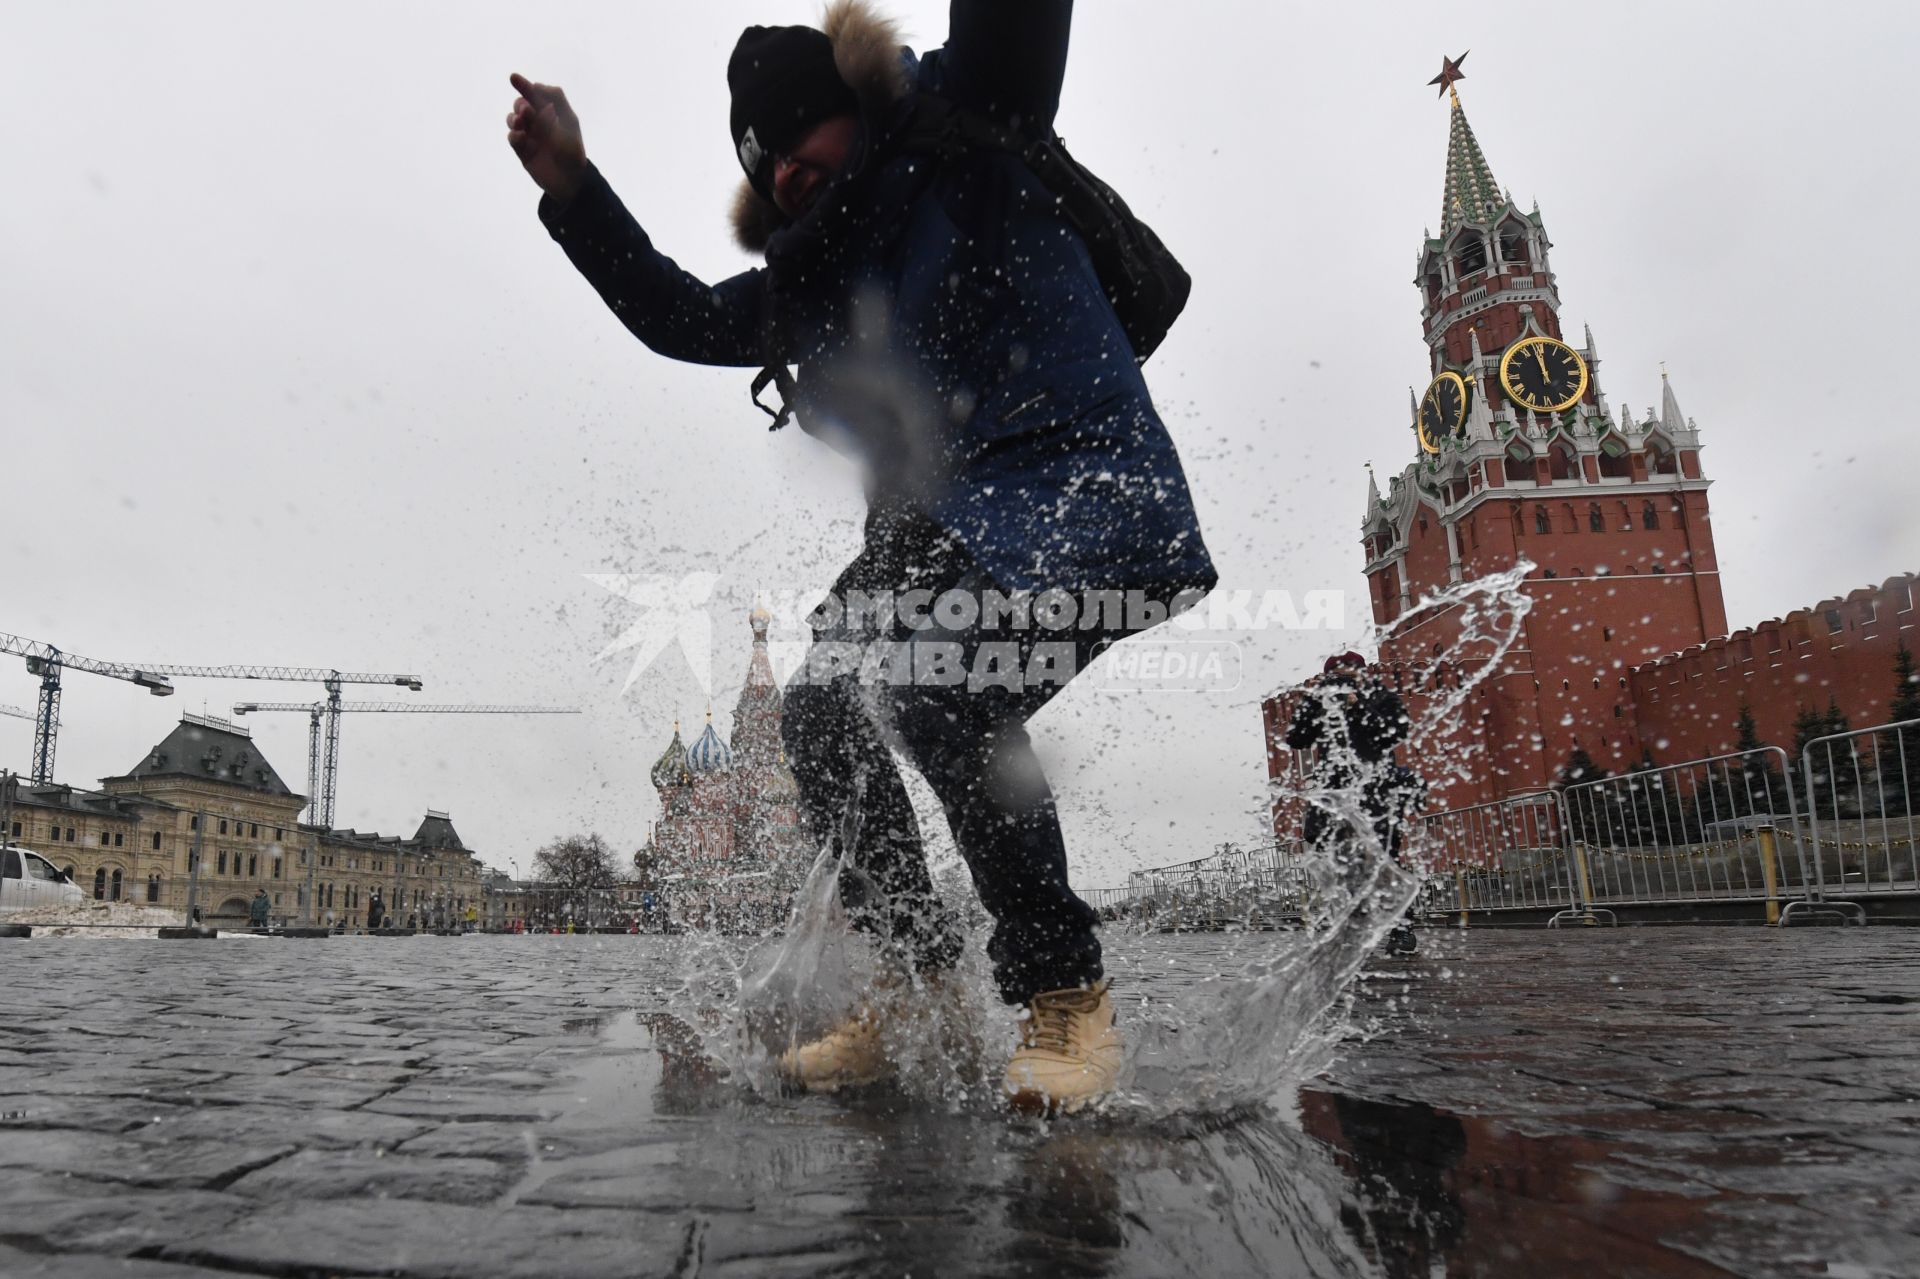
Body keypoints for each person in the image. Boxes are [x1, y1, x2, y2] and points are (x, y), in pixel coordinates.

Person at [508, 0, 1215, 1114]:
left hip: (1083, 486)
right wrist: (571, 184)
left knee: (940, 690)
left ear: (860, 99)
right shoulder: (811, 281)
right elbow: (681, 313)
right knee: (822, 708)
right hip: (952, 528)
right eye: (766, 158)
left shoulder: (972, 118)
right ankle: (916, 984)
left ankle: (1064, 995)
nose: (789, 168)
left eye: (804, 135)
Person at [1285, 653, 1422, 954]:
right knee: (1343, 863)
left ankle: (1402, 928)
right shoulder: (1323, 703)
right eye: (1336, 676)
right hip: (1335, 794)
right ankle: (1356, 929)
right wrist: (1315, 702)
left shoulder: (1381, 697)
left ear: (1363, 673)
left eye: (1349, 674)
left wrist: (1357, 705)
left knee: (1384, 859)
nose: (1343, 681)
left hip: (1377, 789)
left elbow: (1395, 732)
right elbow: (1295, 738)